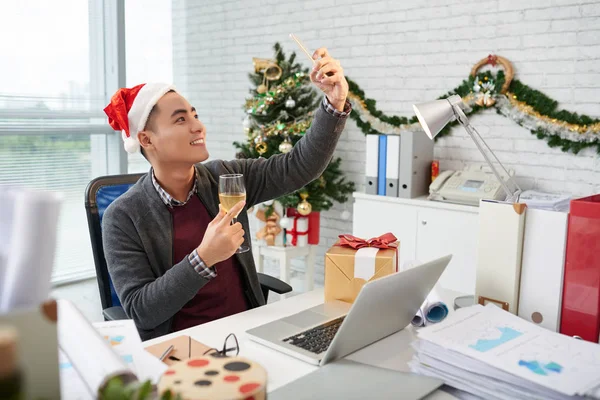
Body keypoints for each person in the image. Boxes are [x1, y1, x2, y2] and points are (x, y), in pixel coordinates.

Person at [102, 47, 351, 341]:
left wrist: (334, 104)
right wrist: (204, 258)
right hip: (185, 347)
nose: (198, 126)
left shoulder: (225, 178)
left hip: (250, 333)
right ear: (146, 139)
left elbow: (298, 166)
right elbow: (141, 311)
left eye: (195, 115)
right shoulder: (122, 217)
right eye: (181, 120)